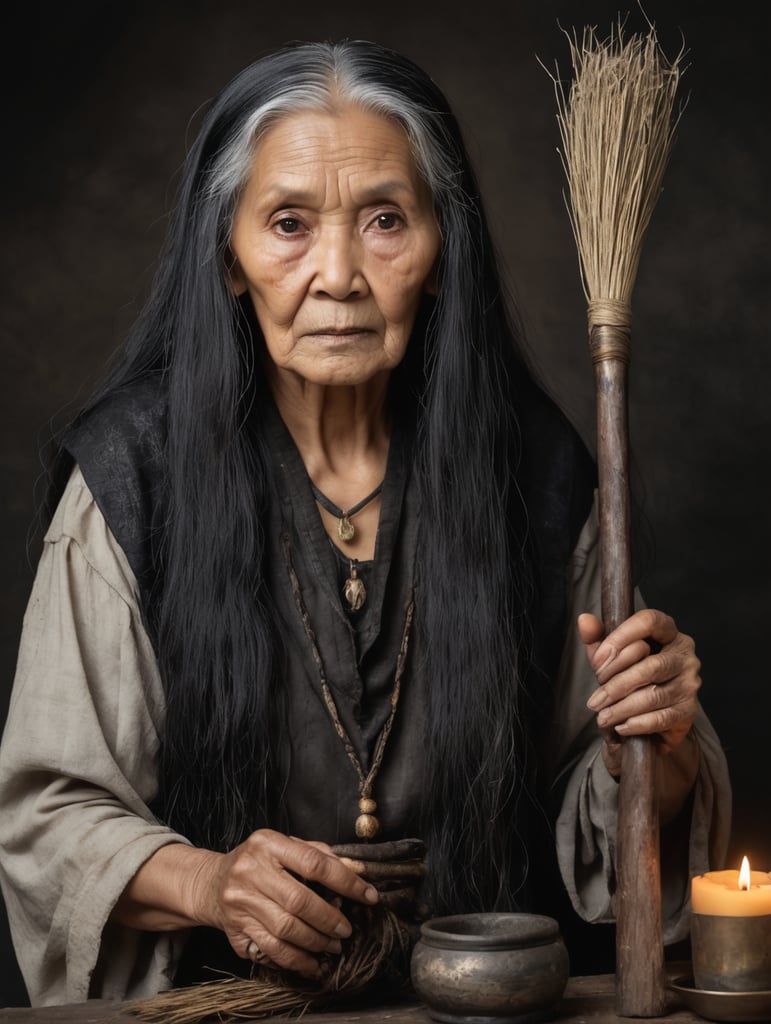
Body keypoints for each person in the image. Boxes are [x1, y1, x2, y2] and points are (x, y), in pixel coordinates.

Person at [0, 39, 730, 1009]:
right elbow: (48, 813)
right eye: (290, 223)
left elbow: (606, 795)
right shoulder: (133, 480)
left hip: (483, 1005)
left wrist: (661, 748)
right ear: (229, 256)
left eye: (385, 219)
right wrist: (211, 882)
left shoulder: (536, 473)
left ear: (440, 253)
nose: (338, 273)